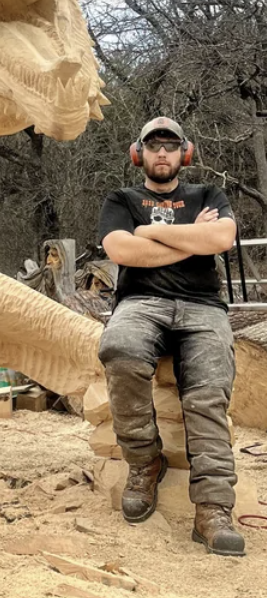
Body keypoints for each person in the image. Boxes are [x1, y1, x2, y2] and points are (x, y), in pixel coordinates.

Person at [98, 116, 244, 556]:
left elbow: (223, 237)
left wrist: (152, 231)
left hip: (203, 308)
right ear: (136, 153)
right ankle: (144, 463)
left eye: (170, 144)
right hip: (140, 304)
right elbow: (121, 250)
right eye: (153, 145)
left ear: (186, 152)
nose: (162, 152)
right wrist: (192, 238)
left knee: (210, 386)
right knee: (118, 347)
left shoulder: (208, 194)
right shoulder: (121, 198)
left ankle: (214, 509)